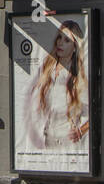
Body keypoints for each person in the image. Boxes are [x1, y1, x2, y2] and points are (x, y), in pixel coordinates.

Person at [23, 19, 89, 150]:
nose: (60, 43)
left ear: (75, 47)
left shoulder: (78, 76)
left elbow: (95, 111)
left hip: (69, 142)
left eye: (67, 40)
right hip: (48, 137)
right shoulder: (48, 68)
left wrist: (81, 131)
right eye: (59, 37)